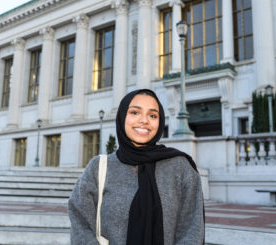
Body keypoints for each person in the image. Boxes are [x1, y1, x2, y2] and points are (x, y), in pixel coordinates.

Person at [68, 89, 205, 245]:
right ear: (121, 116)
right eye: (135, 112)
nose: (144, 120)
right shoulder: (98, 167)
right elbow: (80, 220)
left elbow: (192, 230)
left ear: (160, 122)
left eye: (153, 115)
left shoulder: (180, 167)